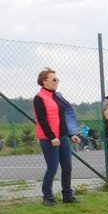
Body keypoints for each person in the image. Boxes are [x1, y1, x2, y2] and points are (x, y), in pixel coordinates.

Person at [32, 68, 81, 206]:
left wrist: (71, 135)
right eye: (54, 79)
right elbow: (42, 120)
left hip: (63, 137)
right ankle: (47, 196)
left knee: (67, 167)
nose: (57, 81)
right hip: (49, 139)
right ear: (44, 81)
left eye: (57, 79)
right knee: (52, 168)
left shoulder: (57, 97)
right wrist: (52, 137)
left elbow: (63, 118)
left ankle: (67, 195)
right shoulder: (39, 98)